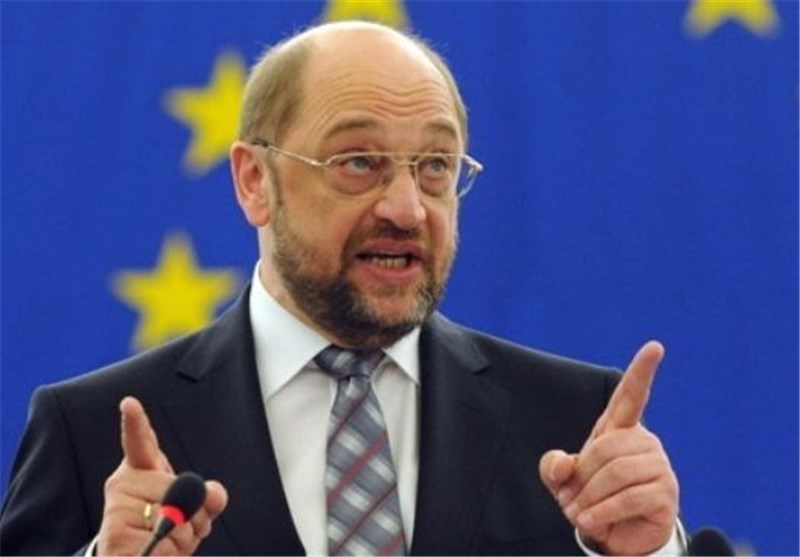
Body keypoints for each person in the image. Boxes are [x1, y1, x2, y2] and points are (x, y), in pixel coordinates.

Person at [0, 20, 683, 556]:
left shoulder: (574, 423)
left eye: (435, 165)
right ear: (254, 181)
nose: (408, 209)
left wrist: (650, 552)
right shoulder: (88, 431)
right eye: (359, 162)